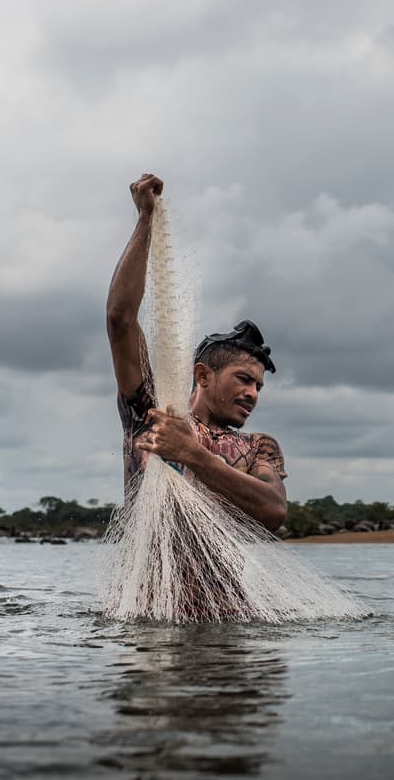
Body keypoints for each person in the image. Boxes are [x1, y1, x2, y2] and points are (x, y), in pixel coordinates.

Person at [106, 173, 288, 532]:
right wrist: (145, 219)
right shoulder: (151, 415)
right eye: (244, 379)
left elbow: (274, 511)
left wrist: (193, 455)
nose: (253, 393)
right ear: (203, 375)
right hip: (153, 590)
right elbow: (120, 319)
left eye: (258, 387)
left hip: (225, 591)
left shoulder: (258, 448)